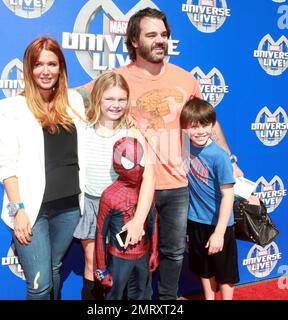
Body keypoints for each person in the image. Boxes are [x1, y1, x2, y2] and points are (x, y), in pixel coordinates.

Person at [79, 7, 243, 300]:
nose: (160, 40)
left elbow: (209, 122)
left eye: (164, 35)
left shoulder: (185, 79)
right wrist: (35, 95)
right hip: (135, 187)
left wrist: (229, 159)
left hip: (179, 185)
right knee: (130, 254)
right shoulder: (116, 78)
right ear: (133, 41)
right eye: (151, 34)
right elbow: (78, 96)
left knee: (174, 252)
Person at [0, 37, 86, 300]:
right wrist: (18, 211)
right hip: (31, 211)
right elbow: (7, 165)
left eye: (52, 64)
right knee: (39, 284)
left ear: (61, 68)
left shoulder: (74, 102)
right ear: (29, 69)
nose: (46, 71)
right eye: (38, 64)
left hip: (70, 208)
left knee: (55, 268)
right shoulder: (11, 107)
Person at [73, 71, 155, 299]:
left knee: (123, 266)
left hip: (124, 210)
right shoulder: (83, 128)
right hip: (91, 205)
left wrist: (139, 219)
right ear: (97, 97)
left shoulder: (131, 131)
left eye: (121, 99)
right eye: (109, 99)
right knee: (92, 261)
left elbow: (149, 176)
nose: (116, 105)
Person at [180, 97, 240, 300]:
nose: (200, 131)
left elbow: (228, 195)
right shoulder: (184, 147)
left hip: (219, 224)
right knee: (203, 268)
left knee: (225, 273)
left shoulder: (219, 155)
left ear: (212, 125)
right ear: (185, 128)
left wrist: (220, 233)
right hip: (196, 221)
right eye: (193, 126)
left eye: (205, 125)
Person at [95, 136, 159, 300]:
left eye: (141, 162)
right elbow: (101, 234)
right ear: (118, 163)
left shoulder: (145, 191)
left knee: (142, 296)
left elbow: (152, 221)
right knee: (114, 297)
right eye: (130, 163)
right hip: (119, 258)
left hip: (142, 255)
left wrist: (153, 251)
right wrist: (101, 268)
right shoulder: (110, 196)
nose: (137, 169)